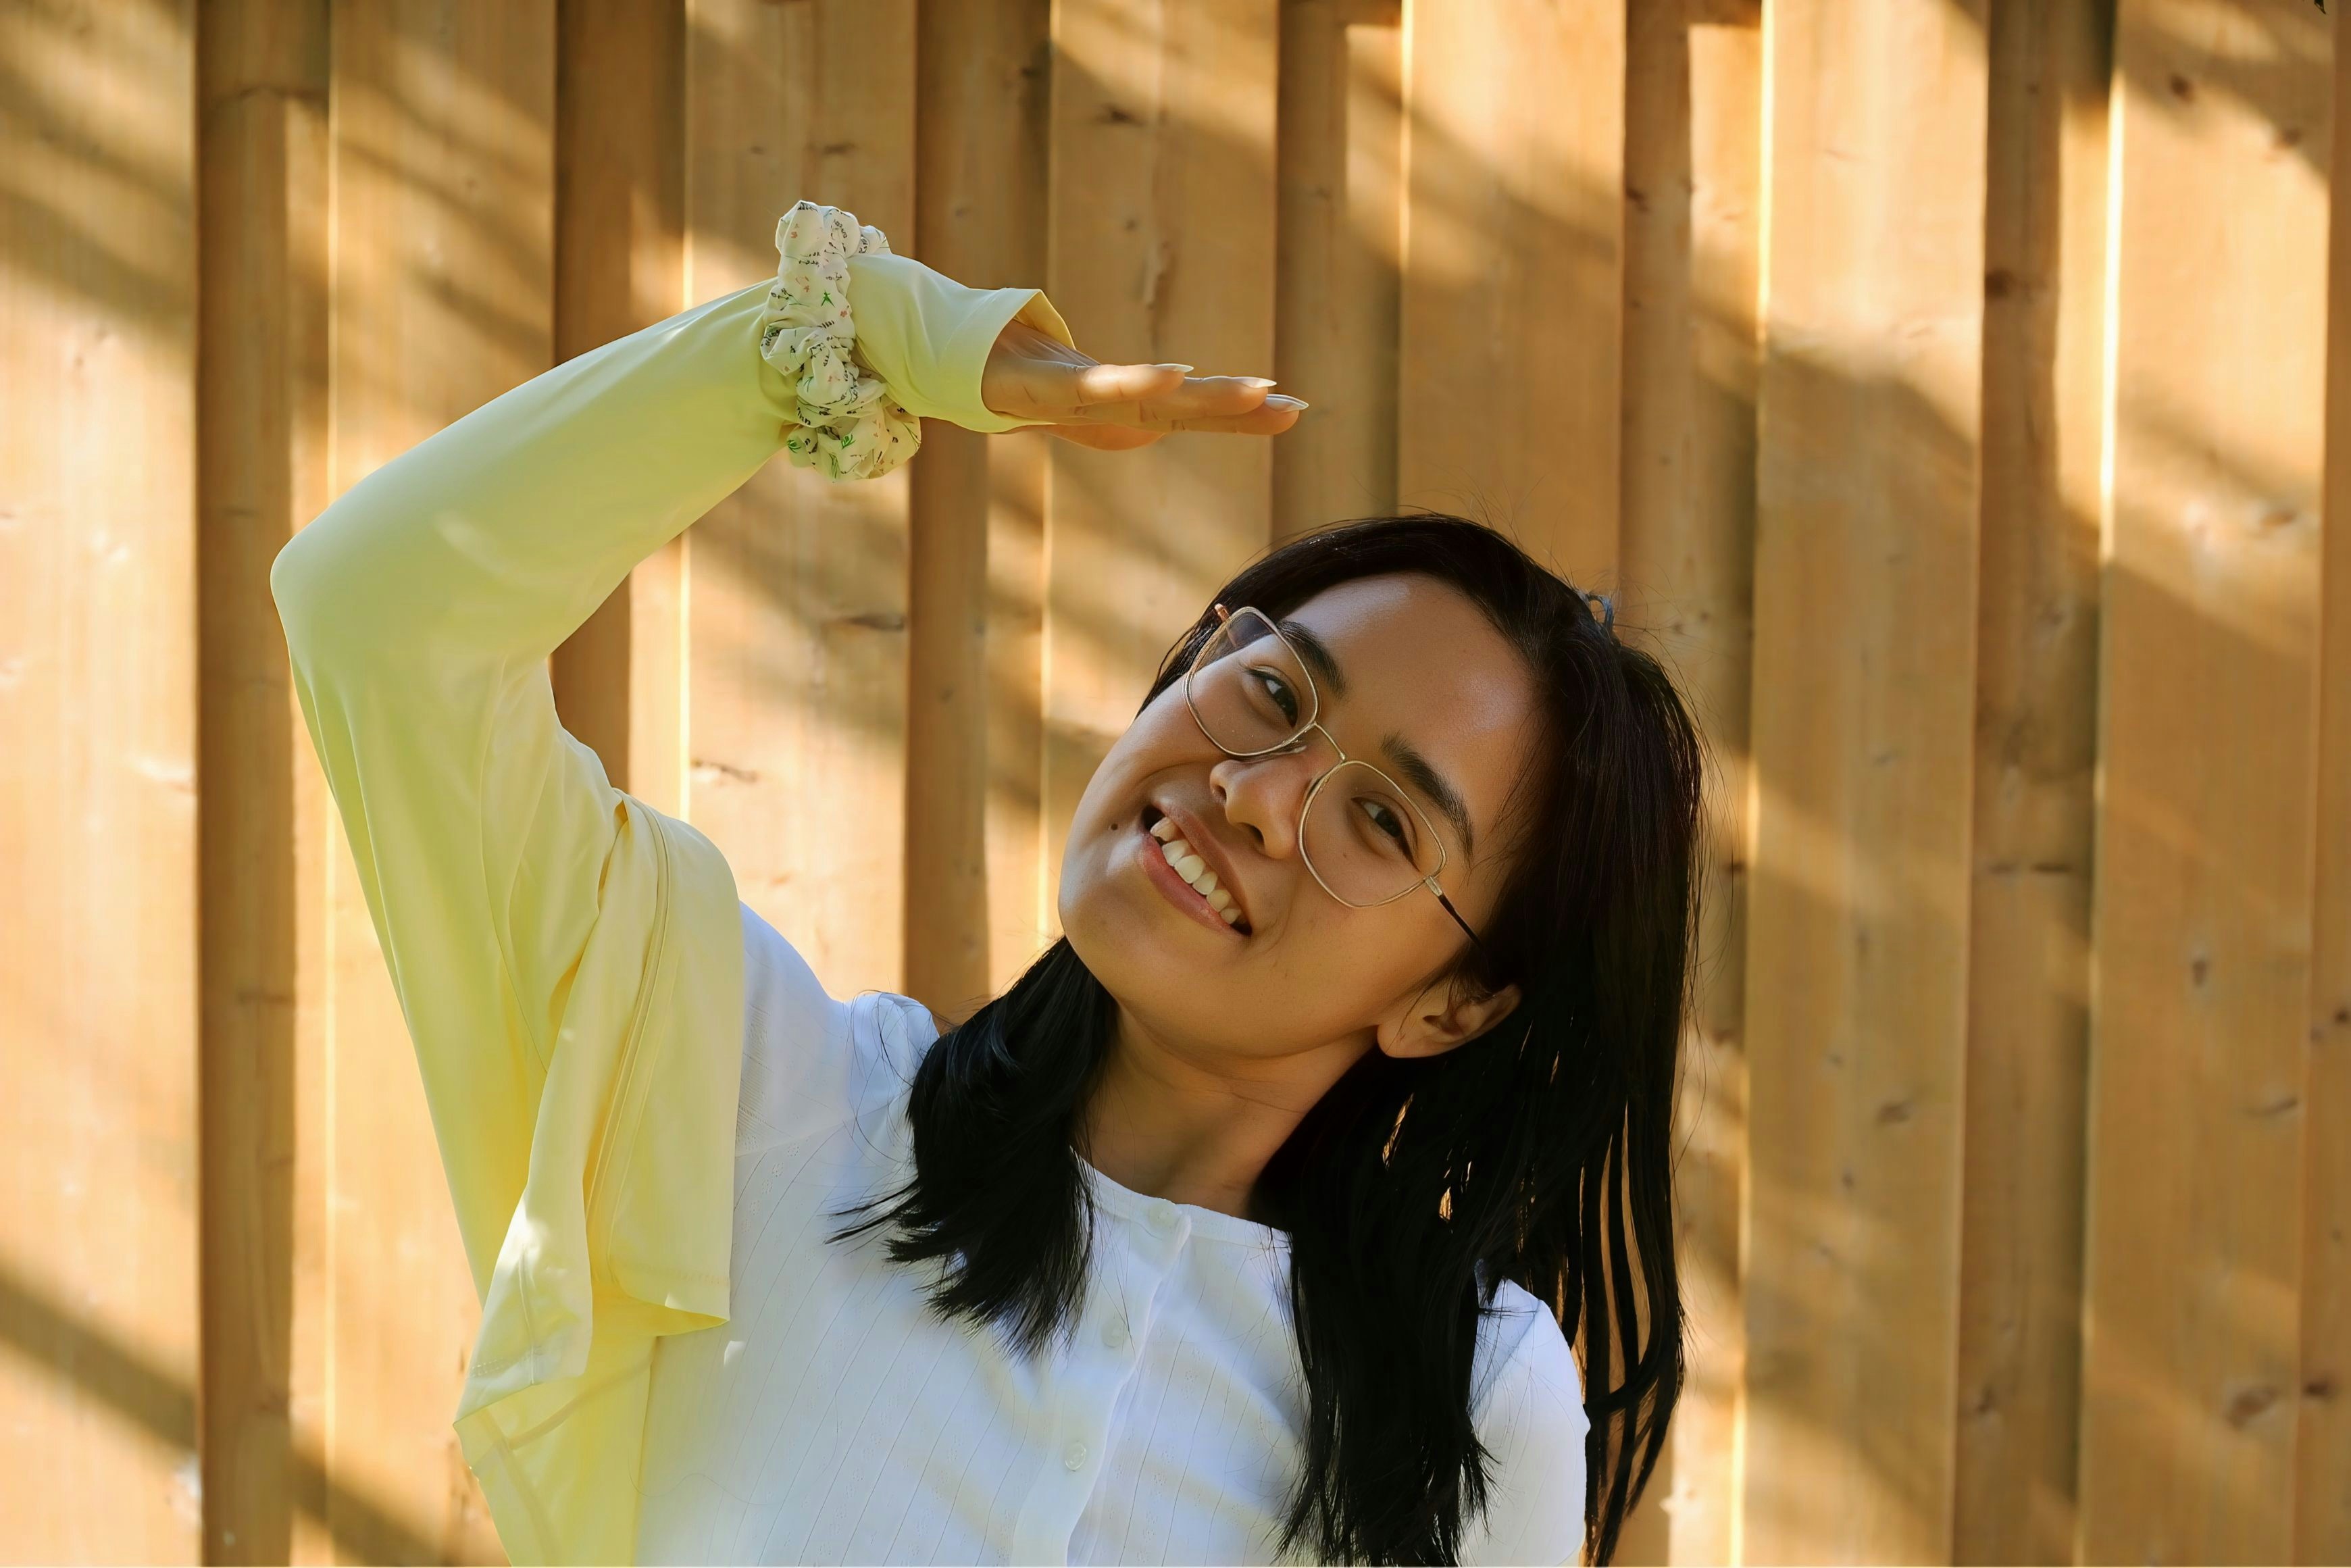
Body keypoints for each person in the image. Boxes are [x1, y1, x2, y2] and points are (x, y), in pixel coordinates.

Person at [272, 199, 1697, 1567]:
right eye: (1269, 691)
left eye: (1382, 821)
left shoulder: (1468, 1413)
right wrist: (871, 336)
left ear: (1453, 1006)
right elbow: (380, 619)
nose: (1257, 796)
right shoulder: (755, 1101)